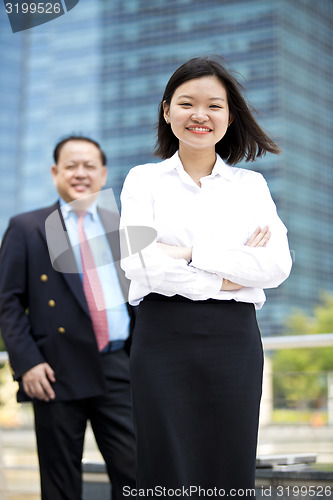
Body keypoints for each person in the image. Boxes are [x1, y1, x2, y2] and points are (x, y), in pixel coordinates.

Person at [120, 57, 292, 497]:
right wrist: (229, 276)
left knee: (229, 468)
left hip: (233, 341)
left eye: (214, 106)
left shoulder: (250, 187)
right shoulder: (143, 180)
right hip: (162, 338)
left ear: (229, 116)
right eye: (187, 103)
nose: (201, 115)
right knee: (165, 469)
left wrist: (190, 253)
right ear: (166, 111)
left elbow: (275, 267)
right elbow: (140, 265)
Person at [0, 136, 136, 500]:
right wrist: (27, 363)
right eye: (71, 165)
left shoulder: (119, 224)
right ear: (55, 172)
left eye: (89, 166)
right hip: (55, 371)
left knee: (137, 474)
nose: (81, 173)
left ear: (103, 173)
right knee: (60, 483)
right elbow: (7, 301)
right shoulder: (30, 226)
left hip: (121, 367)